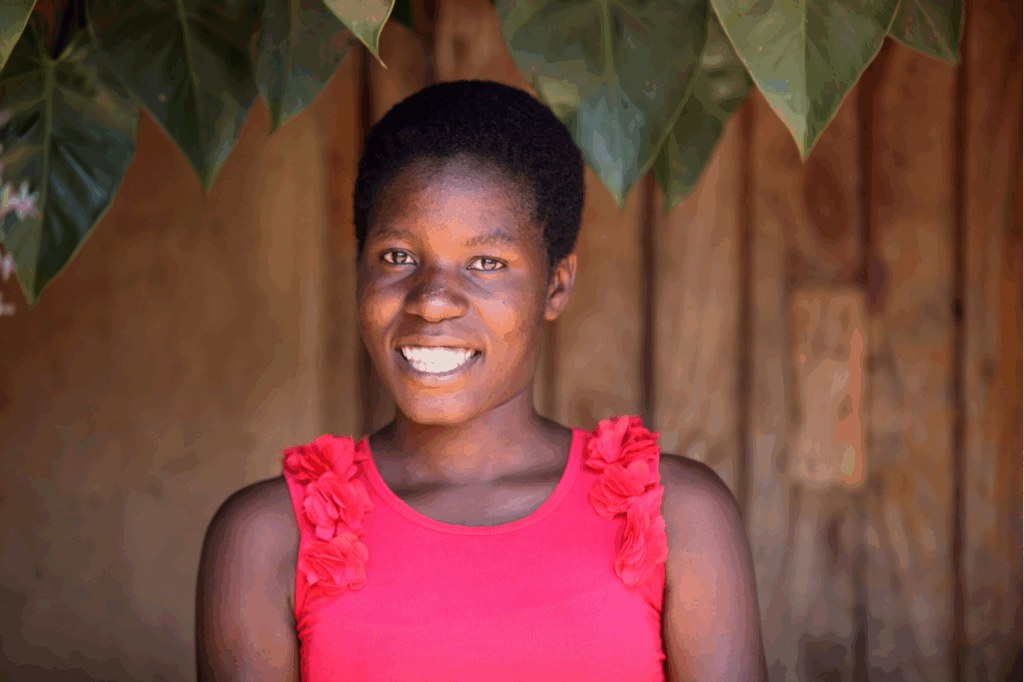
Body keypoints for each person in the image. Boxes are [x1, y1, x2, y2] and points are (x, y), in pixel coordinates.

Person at [195, 79, 768, 681]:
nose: (433, 301)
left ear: (556, 285)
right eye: (397, 257)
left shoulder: (677, 516)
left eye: (487, 263)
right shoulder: (267, 537)